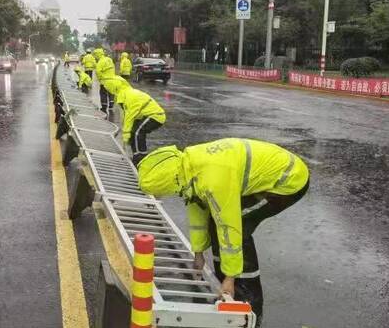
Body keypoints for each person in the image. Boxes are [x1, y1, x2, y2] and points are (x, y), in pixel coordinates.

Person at [137, 138, 309, 301]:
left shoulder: (213, 180)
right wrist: (198, 253)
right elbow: (198, 211)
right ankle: (224, 278)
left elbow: (229, 227)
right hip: (264, 173)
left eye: (163, 191)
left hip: (287, 181)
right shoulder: (187, 168)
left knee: (240, 225)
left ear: (170, 181)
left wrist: (230, 277)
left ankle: (249, 294)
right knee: (216, 218)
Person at [107, 79, 166, 164]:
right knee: (134, 132)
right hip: (146, 115)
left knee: (137, 132)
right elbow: (126, 116)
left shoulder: (129, 96)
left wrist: (126, 134)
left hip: (156, 115)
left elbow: (130, 116)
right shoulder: (126, 93)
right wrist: (126, 132)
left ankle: (140, 158)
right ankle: (136, 154)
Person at [95, 48, 116, 113]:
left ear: (98, 54)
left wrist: (100, 79)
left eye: (96, 55)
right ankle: (111, 105)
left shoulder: (100, 61)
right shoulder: (109, 59)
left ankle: (104, 107)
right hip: (112, 80)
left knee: (103, 93)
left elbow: (98, 71)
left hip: (104, 81)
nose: (95, 57)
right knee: (111, 93)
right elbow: (113, 68)